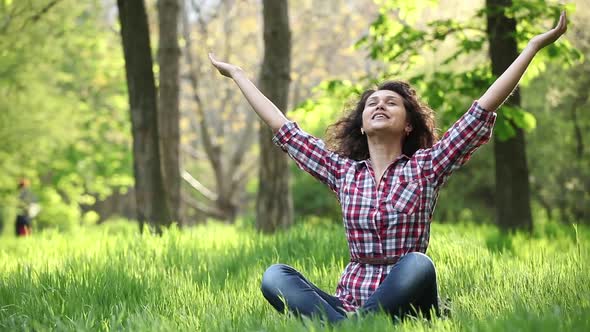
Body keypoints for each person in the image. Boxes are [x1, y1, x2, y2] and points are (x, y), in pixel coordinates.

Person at [209, 12, 567, 323]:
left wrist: (531, 48)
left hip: (410, 303)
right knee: (276, 275)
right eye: (372, 104)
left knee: (418, 263)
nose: (379, 106)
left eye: (391, 103)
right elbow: (285, 129)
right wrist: (239, 74)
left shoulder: (427, 166)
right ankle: (353, 325)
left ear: (408, 124)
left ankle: (349, 326)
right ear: (362, 125)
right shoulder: (343, 172)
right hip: (349, 301)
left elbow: (480, 112)